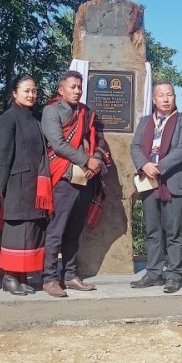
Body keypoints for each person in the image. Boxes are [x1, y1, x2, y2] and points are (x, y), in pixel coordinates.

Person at [39, 71, 107, 297]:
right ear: (61, 90)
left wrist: (95, 160)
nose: (77, 91)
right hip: (64, 178)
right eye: (72, 87)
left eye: (79, 87)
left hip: (86, 178)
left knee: (74, 231)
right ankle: (49, 278)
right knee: (56, 231)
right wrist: (85, 160)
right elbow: (57, 144)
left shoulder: (86, 113)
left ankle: (69, 275)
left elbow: (99, 141)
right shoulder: (51, 110)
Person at [129, 81, 182, 293]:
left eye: (170, 95)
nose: (166, 99)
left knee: (175, 232)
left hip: (174, 182)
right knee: (153, 231)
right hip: (150, 184)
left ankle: (176, 275)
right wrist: (144, 164)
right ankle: (154, 273)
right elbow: (136, 146)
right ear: (154, 99)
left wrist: (158, 167)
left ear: (175, 98)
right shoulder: (146, 121)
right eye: (162, 95)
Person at [0, 76, 47, 295]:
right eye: (26, 91)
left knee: (32, 231)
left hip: (35, 185)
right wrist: (2, 186)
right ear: (14, 93)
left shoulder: (36, 120)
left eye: (34, 91)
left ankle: (23, 275)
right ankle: (9, 277)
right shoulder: (8, 118)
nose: (31, 95)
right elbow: (4, 154)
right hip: (16, 184)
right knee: (17, 231)